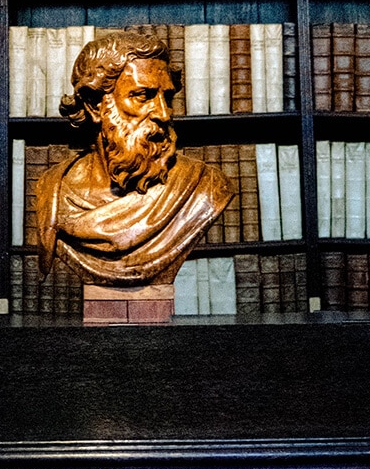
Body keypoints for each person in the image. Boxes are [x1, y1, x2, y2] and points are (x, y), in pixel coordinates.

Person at [35, 31, 234, 286]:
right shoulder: (53, 191)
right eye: (143, 96)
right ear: (95, 105)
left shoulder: (205, 187)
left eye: (168, 97)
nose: (164, 114)